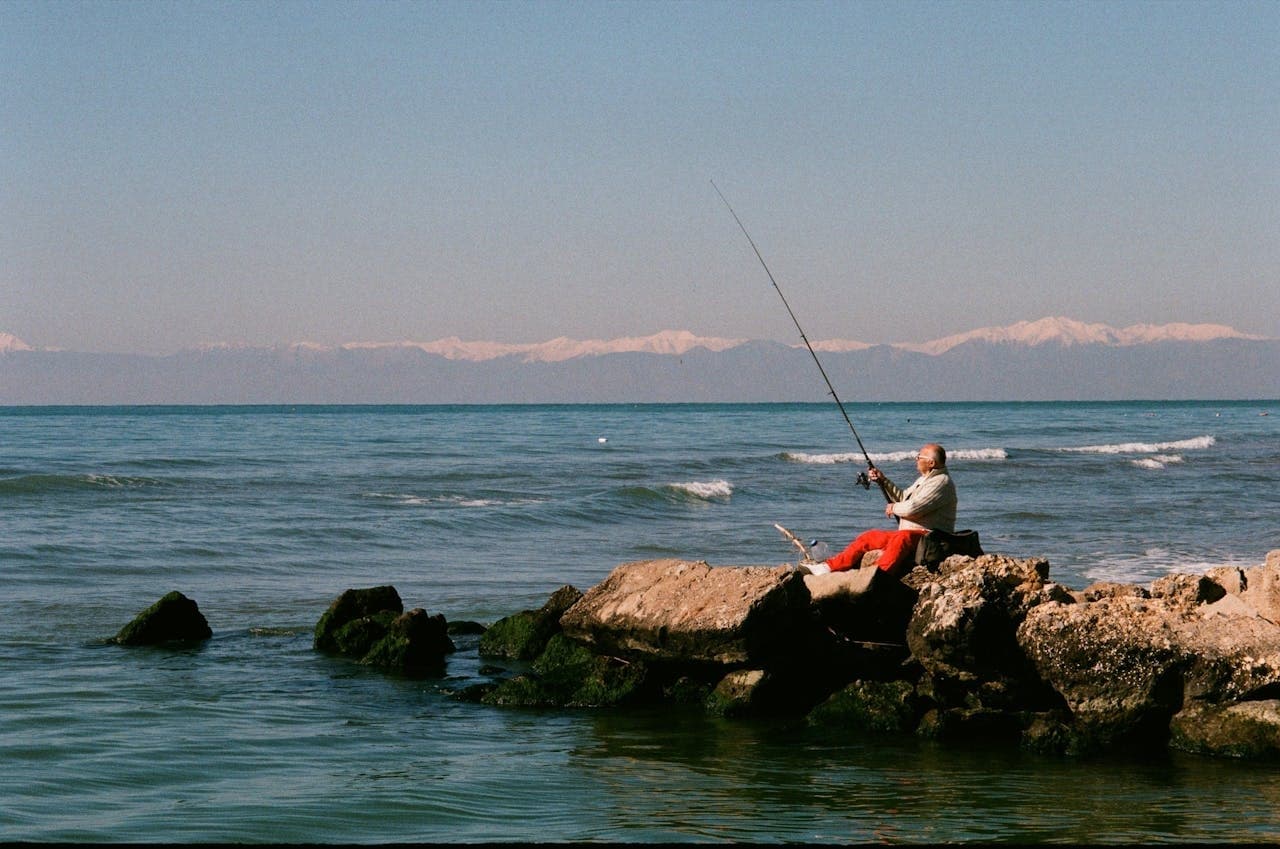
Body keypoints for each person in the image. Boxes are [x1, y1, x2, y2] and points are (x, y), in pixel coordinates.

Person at [805, 443, 957, 577]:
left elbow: (914, 508)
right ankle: (828, 567)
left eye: (919, 456)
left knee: (901, 538)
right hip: (914, 534)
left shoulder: (941, 482)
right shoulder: (926, 479)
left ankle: (877, 575)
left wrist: (893, 508)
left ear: (931, 462)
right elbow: (903, 498)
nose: (916, 459)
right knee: (869, 537)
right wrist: (883, 481)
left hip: (931, 537)